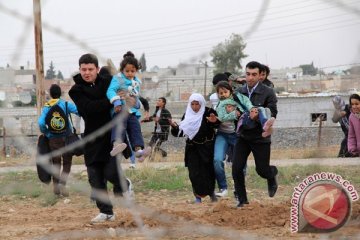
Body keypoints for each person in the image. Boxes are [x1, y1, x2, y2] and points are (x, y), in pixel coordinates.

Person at [69, 53, 129, 223]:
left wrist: (122, 95)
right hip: (91, 138)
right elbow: (88, 108)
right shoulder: (76, 90)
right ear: (80, 69)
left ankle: (125, 184)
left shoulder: (108, 81)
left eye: (90, 69)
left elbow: (124, 86)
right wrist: (111, 101)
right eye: (83, 69)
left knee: (110, 172)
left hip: (110, 136)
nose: (87, 72)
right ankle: (106, 212)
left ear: (96, 69)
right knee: (94, 178)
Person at [213, 81, 275, 198]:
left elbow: (246, 102)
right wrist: (234, 114)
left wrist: (251, 109)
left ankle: (265, 125)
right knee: (231, 164)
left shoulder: (238, 97)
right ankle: (229, 191)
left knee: (260, 110)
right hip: (234, 129)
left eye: (225, 92)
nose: (223, 95)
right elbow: (221, 117)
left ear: (230, 91)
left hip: (242, 125)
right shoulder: (220, 105)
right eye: (220, 93)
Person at [232, 61, 278, 208]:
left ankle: (272, 175)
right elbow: (233, 110)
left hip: (260, 138)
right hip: (243, 136)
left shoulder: (268, 92)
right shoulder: (239, 92)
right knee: (237, 168)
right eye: (248, 74)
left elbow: (273, 113)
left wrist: (258, 115)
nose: (250, 78)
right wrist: (235, 113)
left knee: (262, 170)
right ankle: (242, 200)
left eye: (254, 75)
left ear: (260, 76)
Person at [170, 93, 219, 203]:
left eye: (197, 104)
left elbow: (217, 125)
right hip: (193, 148)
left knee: (209, 171)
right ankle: (197, 196)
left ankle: (211, 193)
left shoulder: (208, 112)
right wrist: (174, 127)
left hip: (207, 148)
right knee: (194, 173)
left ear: (201, 103)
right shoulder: (187, 115)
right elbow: (180, 133)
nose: (195, 107)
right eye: (193, 104)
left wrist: (214, 121)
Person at [106, 51, 151, 161]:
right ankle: (116, 144)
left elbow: (136, 97)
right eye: (127, 71)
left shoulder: (136, 82)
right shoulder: (118, 79)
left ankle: (138, 150)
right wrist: (116, 101)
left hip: (132, 111)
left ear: (136, 70)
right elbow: (110, 90)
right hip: (120, 108)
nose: (130, 73)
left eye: (132, 71)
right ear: (122, 70)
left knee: (135, 128)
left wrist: (136, 104)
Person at [38, 84, 79, 197]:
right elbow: (79, 111)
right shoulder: (66, 104)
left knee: (56, 163)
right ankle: (62, 184)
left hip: (53, 139)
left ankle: (56, 189)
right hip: (67, 137)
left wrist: (47, 133)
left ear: (50, 94)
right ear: (60, 93)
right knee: (67, 162)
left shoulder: (47, 107)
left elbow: (41, 123)